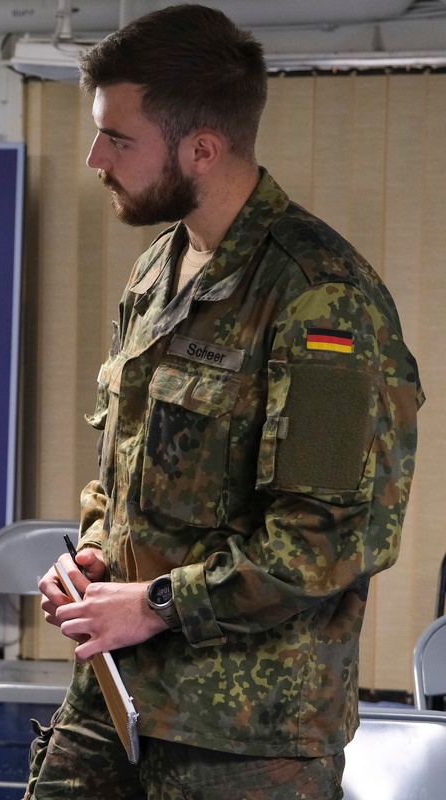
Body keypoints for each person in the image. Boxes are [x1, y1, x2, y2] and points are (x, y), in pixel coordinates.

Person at [27, 6, 423, 800]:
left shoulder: (319, 301)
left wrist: (158, 604)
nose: (93, 157)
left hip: (244, 734)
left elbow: (326, 537)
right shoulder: (157, 272)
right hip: (119, 691)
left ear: (202, 149)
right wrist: (96, 551)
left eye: (118, 138)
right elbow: (126, 463)